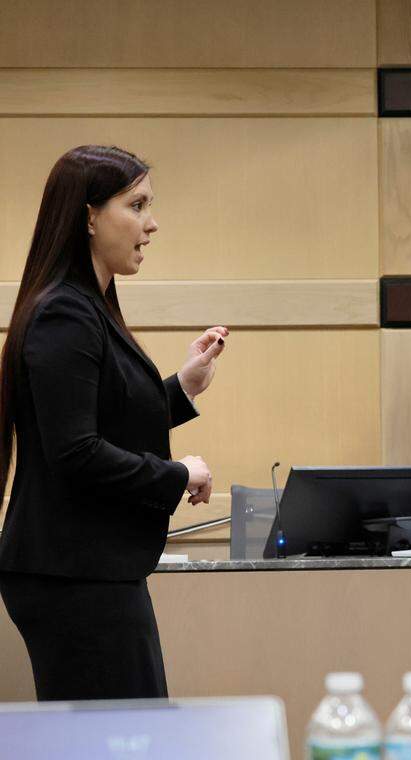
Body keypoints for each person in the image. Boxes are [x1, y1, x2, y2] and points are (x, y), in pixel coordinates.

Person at [0, 145, 227, 700]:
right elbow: (76, 451)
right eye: (137, 204)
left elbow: (100, 418)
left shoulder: (86, 307)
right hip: (74, 575)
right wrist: (177, 474)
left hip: (88, 571)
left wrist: (181, 388)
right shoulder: (65, 313)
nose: (152, 224)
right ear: (89, 216)